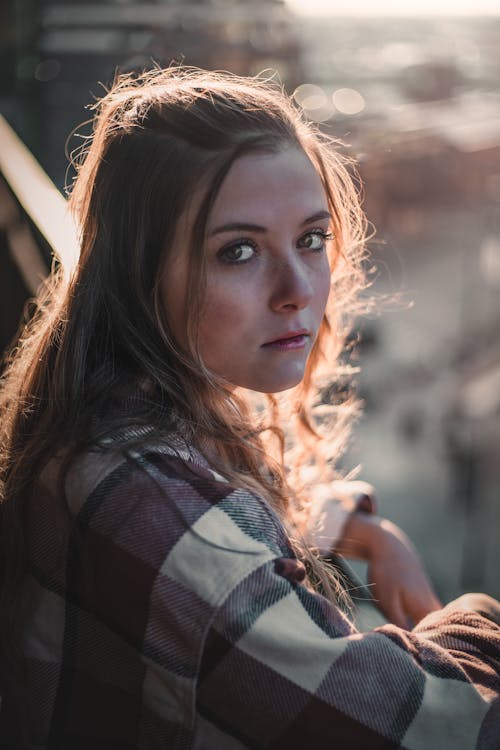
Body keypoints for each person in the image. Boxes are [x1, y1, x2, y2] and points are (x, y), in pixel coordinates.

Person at [0, 66, 499, 749]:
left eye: (312, 239)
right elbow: (431, 727)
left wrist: (364, 530)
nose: (297, 289)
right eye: (238, 251)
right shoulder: (155, 512)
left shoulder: (127, 412)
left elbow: (223, 508)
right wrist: (476, 616)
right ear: (137, 273)